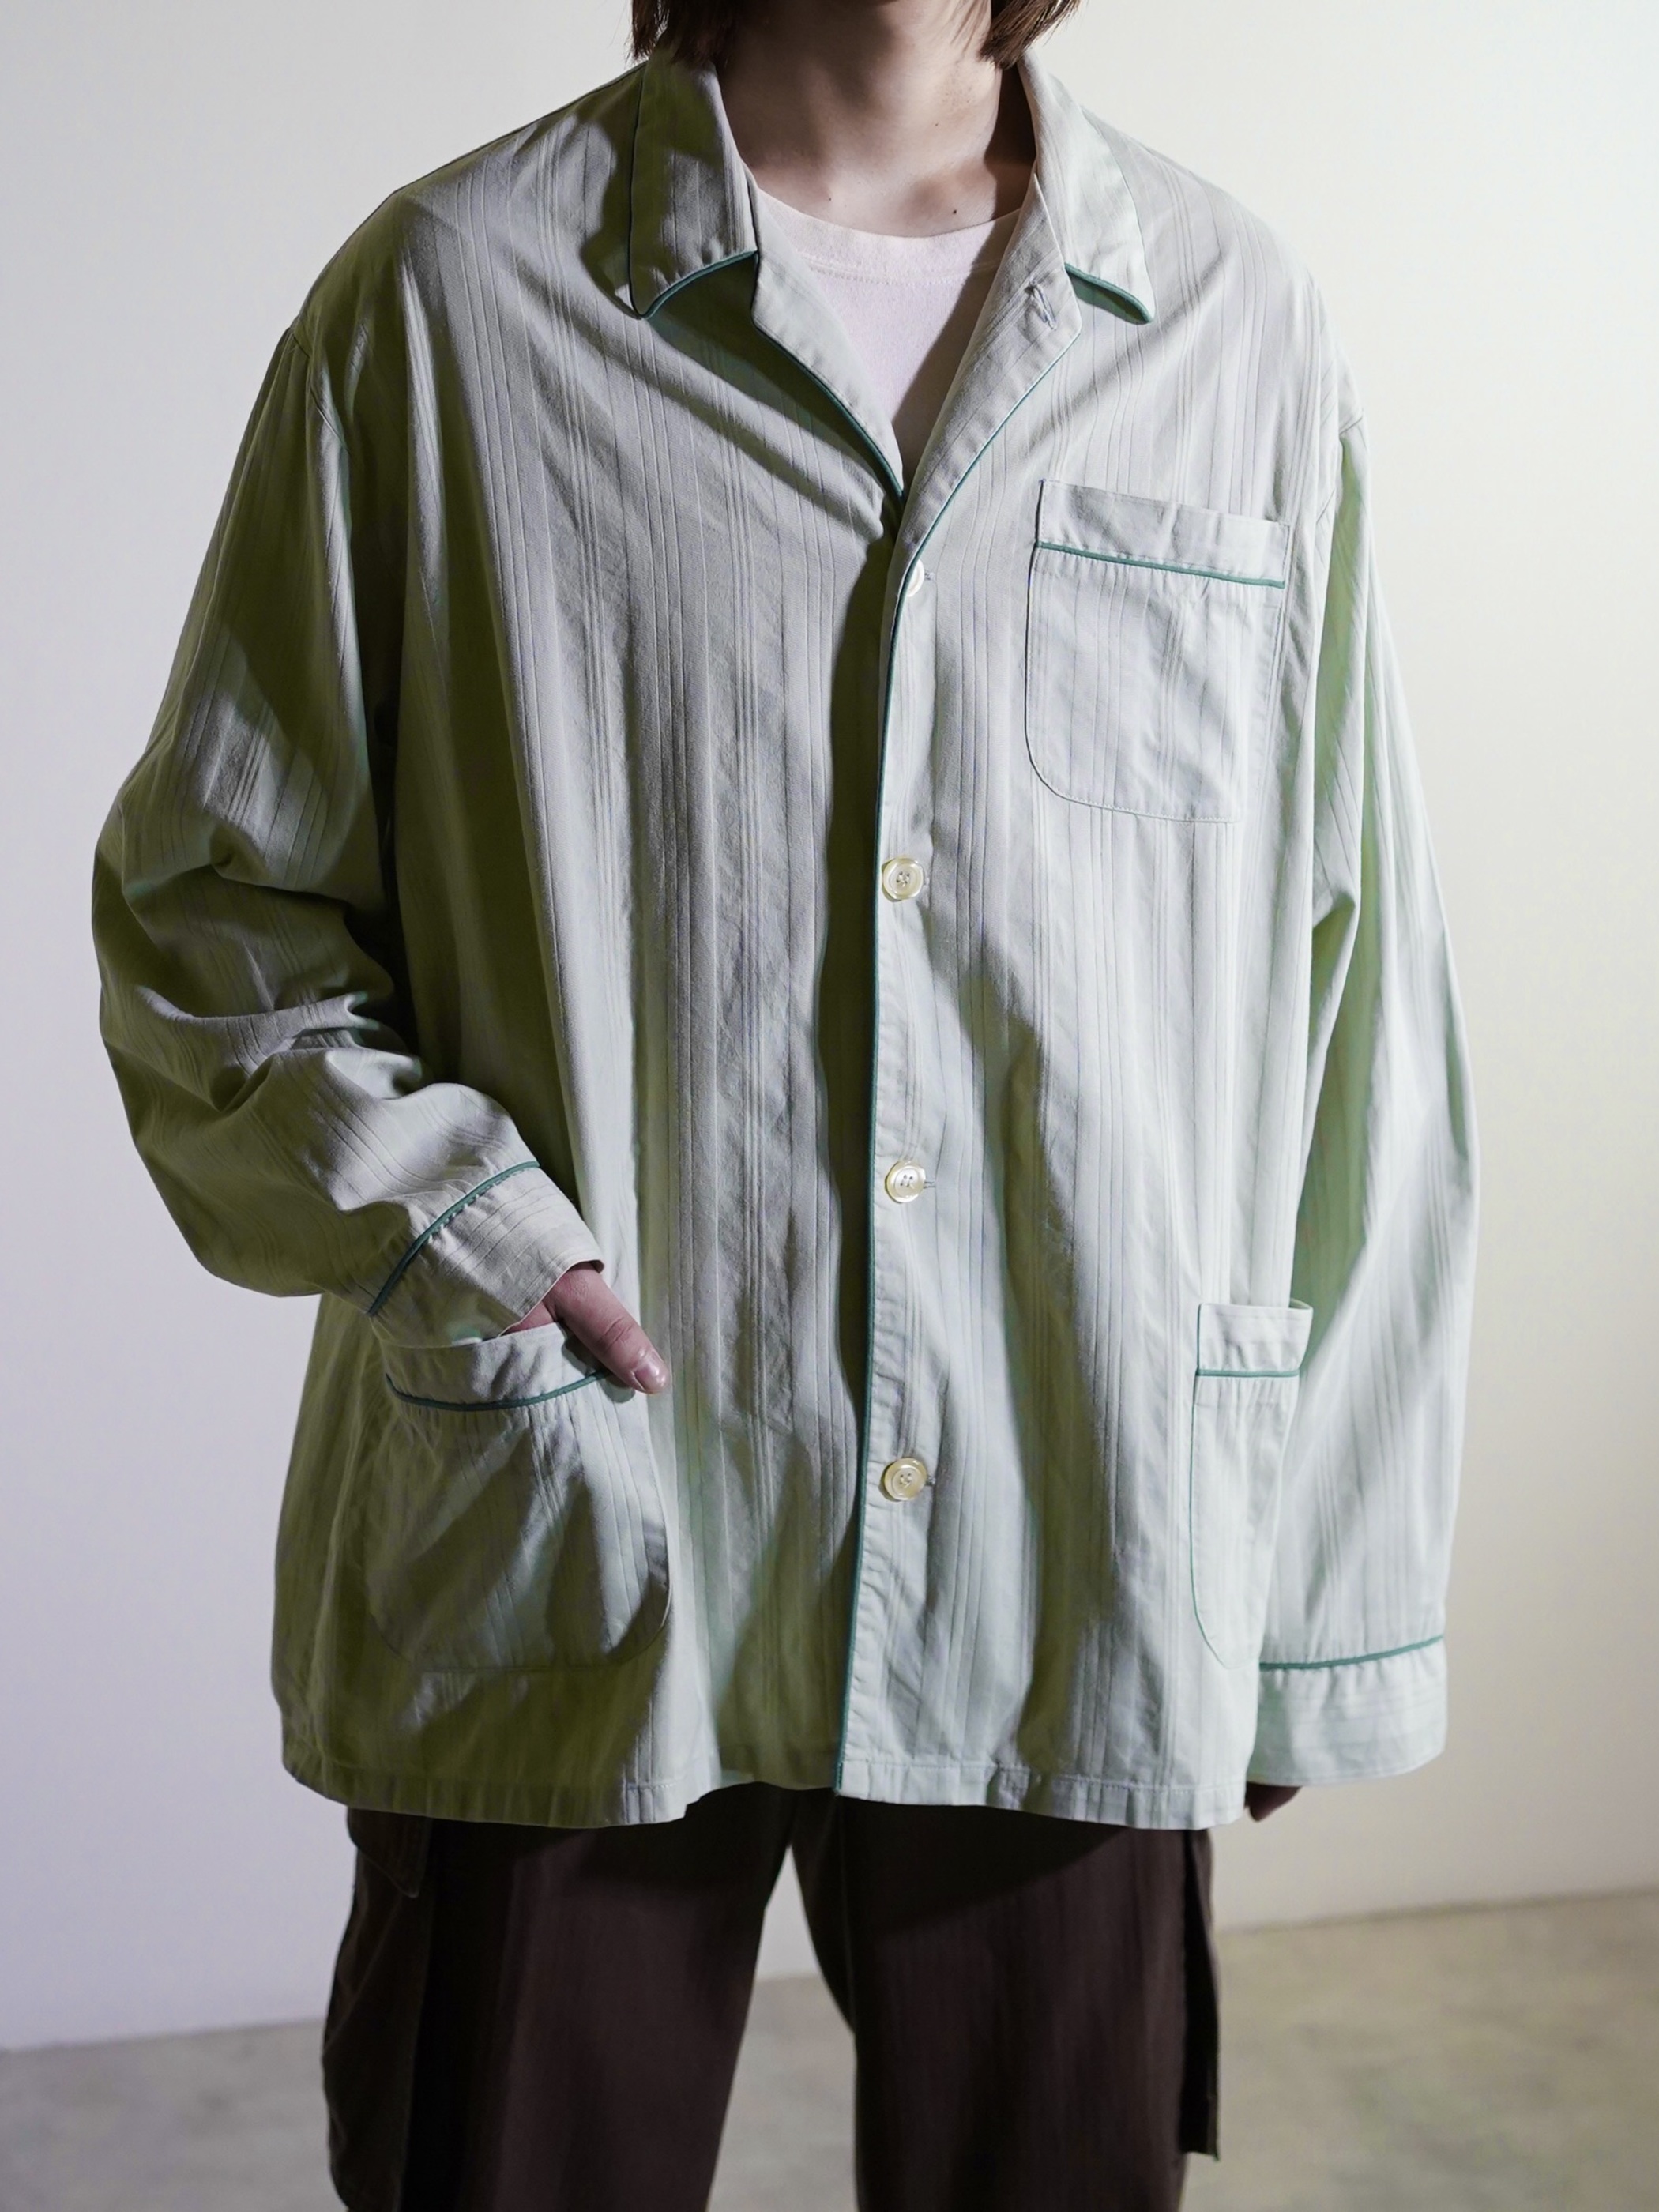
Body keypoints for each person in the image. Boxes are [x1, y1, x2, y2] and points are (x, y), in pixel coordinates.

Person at [92, 0, 1477, 2203]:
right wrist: (471, 1233)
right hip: (583, 1518)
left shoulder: (1236, 320)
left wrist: (1318, 1600)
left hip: (1078, 1518)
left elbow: (1352, 989)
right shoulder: (450, 299)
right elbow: (210, 917)